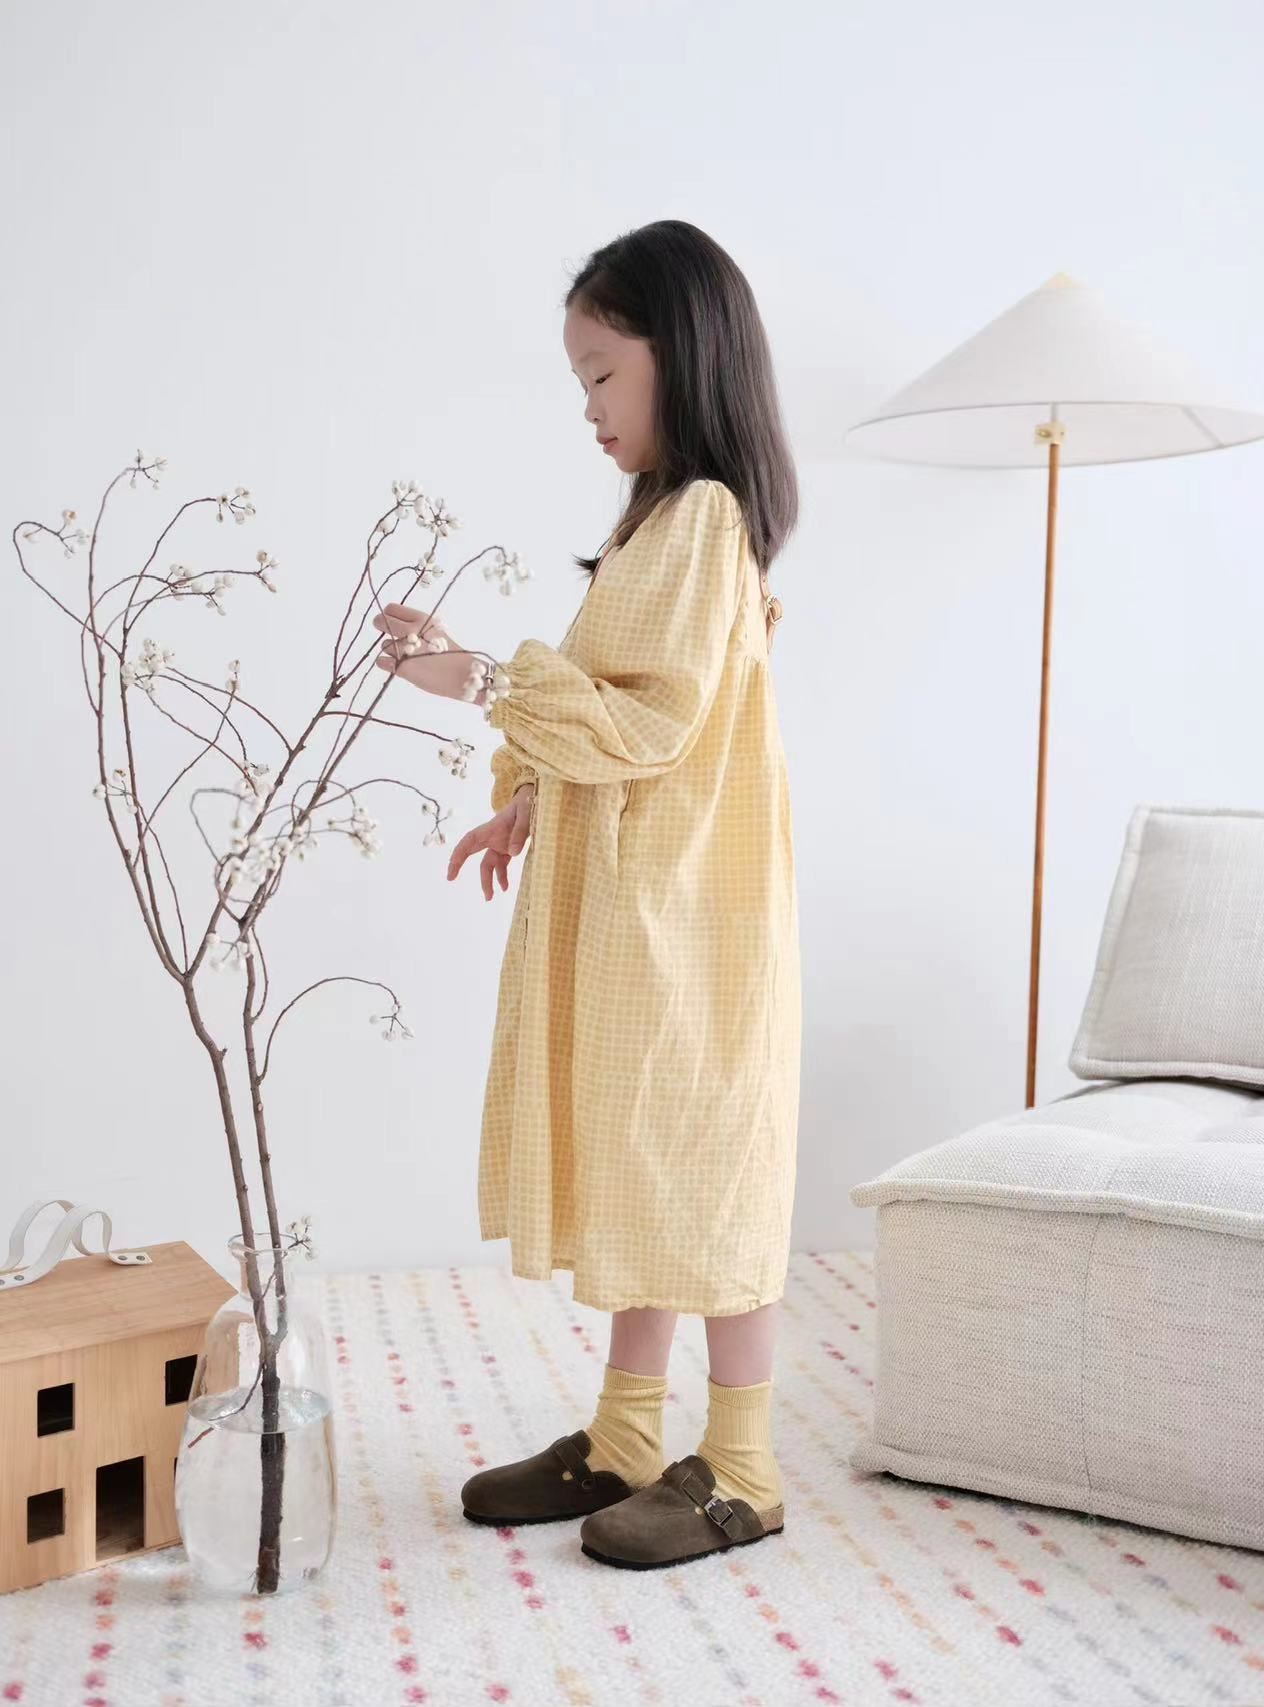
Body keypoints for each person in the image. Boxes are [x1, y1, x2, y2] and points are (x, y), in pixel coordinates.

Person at [371, 218, 801, 1569]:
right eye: (581, 383)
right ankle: (626, 1434)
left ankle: (744, 1466)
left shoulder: (706, 519)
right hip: (642, 905)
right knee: (648, 1160)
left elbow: (654, 725)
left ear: (688, 355)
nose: (590, 409)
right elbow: (619, 725)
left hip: (698, 918)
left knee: (709, 1167)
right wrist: (527, 799)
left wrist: (476, 678)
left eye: (603, 374)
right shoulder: (657, 525)